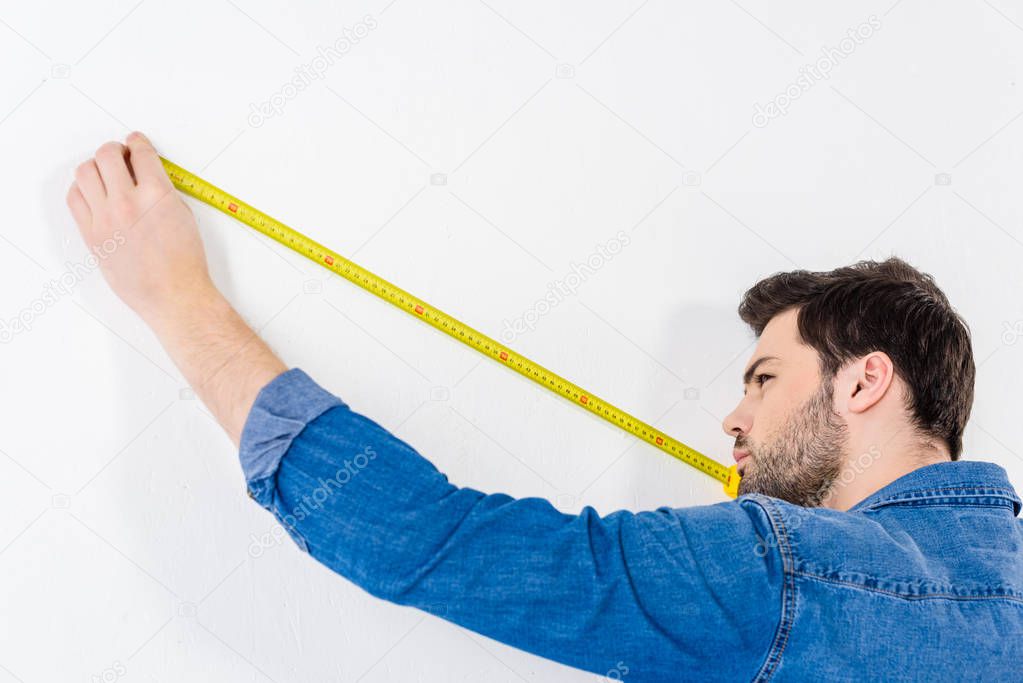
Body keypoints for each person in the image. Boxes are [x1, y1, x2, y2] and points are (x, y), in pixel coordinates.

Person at [67, 134, 1023, 682]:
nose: (730, 423)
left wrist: (179, 302)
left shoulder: (782, 568)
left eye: (763, 379)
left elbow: (431, 543)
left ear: (863, 381)